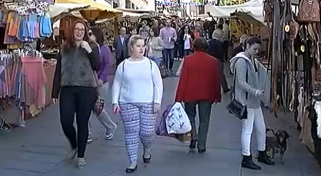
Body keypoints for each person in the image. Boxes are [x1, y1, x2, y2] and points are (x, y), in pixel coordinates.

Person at [51, 20, 102, 169]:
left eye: (82, 29)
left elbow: (98, 66)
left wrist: (89, 51)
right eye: (77, 29)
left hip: (86, 89)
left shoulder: (91, 46)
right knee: (66, 121)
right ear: (72, 31)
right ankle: (74, 145)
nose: (79, 32)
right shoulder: (64, 48)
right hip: (67, 88)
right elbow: (58, 70)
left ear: (85, 32)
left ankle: (81, 155)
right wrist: (55, 92)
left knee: (82, 122)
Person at [112, 35, 164, 173]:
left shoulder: (151, 64)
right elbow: (117, 84)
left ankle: (147, 149)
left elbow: (158, 84)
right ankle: (132, 161)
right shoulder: (123, 66)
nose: (142, 48)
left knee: (147, 132)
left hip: (148, 102)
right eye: (138, 46)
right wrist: (114, 101)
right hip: (127, 102)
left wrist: (157, 101)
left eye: (143, 46)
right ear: (131, 48)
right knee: (131, 133)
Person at [229, 36, 274, 170]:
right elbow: (241, 82)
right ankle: (246, 157)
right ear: (247, 46)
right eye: (254, 49)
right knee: (247, 129)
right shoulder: (241, 61)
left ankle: (261, 152)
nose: (256, 52)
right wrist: (255, 92)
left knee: (261, 127)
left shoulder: (252, 60)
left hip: (254, 100)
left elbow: (263, 72)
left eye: (258, 49)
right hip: (246, 100)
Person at [175, 38, 221, 153]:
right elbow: (216, 80)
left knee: (190, 115)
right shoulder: (213, 61)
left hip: (190, 93)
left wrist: (179, 97)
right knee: (204, 120)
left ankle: (193, 136)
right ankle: (202, 144)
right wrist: (217, 95)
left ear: (193, 47)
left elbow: (183, 79)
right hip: (207, 93)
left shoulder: (188, 60)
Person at [87, 27, 117, 142]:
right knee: (86, 109)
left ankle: (110, 126)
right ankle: (87, 133)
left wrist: (101, 79)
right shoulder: (87, 47)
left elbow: (107, 65)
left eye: (90, 34)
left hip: (101, 83)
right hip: (88, 82)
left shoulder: (104, 49)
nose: (88, 36)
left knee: (98, 108)